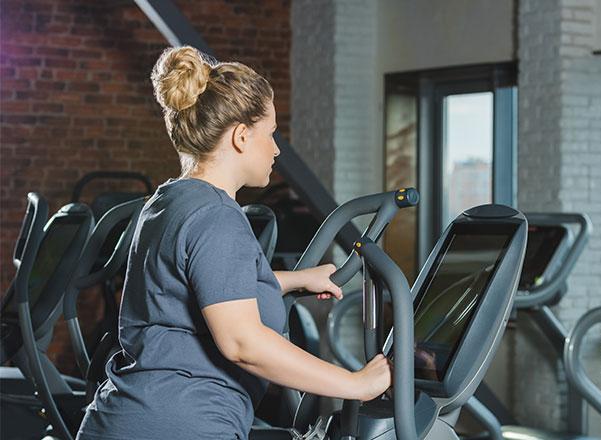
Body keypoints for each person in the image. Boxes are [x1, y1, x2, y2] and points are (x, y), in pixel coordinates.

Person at [77, 46, 391, 440]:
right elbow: (243, 342)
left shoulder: (169, 200)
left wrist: (292, 280)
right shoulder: (217, 217)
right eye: (271, 133)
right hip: (178, 425)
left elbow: (196, 291)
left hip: (127, 417)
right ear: (242, 136)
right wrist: (356, 384)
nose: (276, 148)